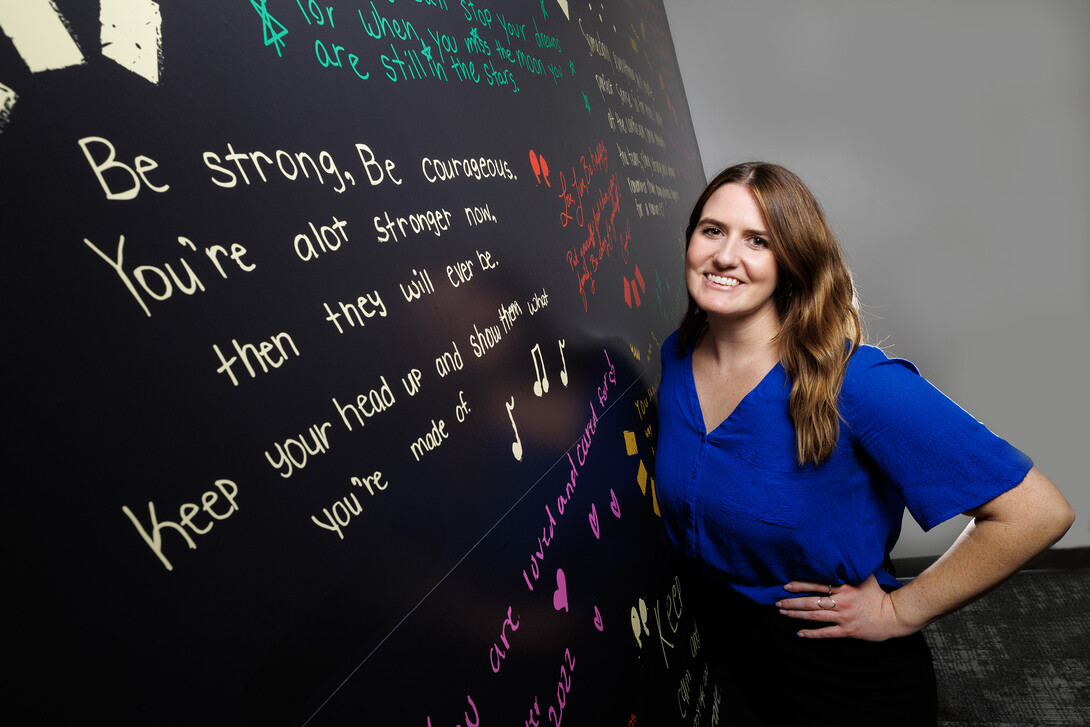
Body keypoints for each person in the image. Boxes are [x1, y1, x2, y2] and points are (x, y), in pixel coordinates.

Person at [655, 162, 1074, 724]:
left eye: (758, 240)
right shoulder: (678, 357)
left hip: (841, 677)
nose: (726, 256)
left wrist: (902, 610)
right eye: (712, 231)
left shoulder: (858, 384)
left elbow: (1037, 512)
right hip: (725, 657)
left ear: (792, 263)